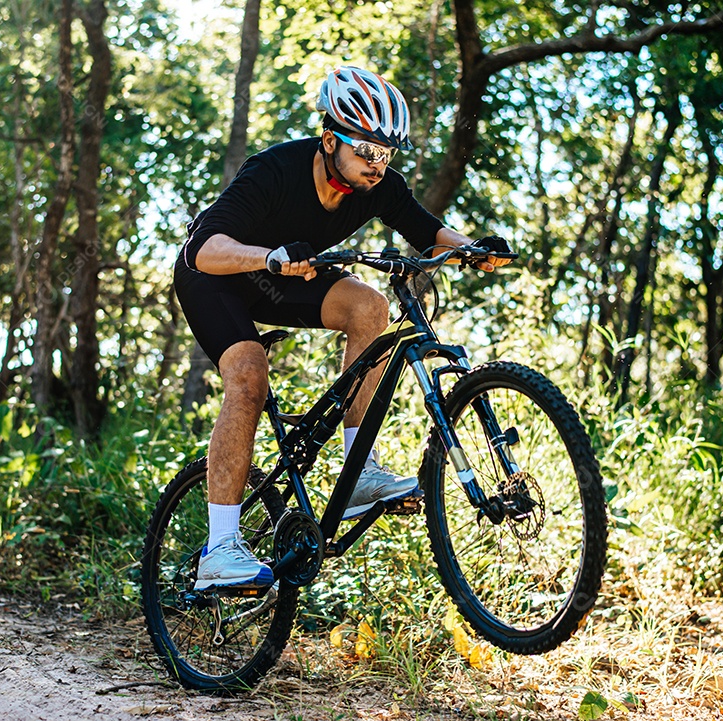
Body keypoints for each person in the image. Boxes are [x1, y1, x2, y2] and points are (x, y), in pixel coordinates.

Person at [174, 66, 510, 591]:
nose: (378, 166)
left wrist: (473, 248)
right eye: (367, 153)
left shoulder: (378, 188)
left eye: (387, 155)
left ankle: (360, 471)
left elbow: (428, 231)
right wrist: (269, 257)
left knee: (370, 308)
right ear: (330, 140)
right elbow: (203, 248)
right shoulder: (275, 171)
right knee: (248, 377)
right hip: (218, 274)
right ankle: (219, 550)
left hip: (289, 274)